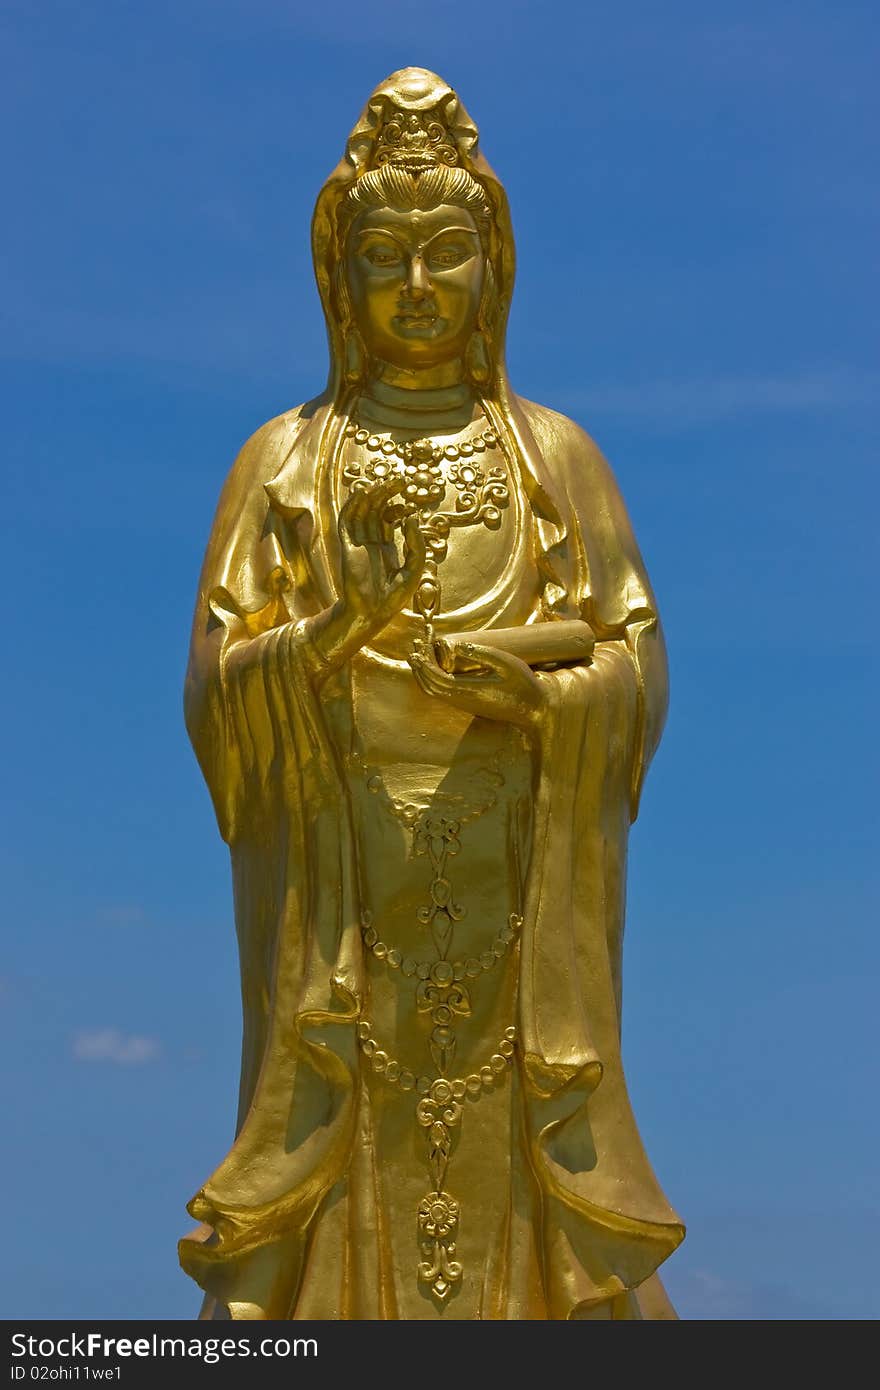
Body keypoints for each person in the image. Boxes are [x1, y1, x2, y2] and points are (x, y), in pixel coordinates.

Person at [179, 66, 684, 1320]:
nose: (415, 288)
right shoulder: (285, 461)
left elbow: (632, 662)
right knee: (342, 1140)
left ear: (492, 268)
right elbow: (213, 693)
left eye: (445, 253)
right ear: (337, 277)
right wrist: (334, 633)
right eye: (383, 257)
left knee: (513, 1135)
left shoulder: (553, 456)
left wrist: (530, 690)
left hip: (517, 878)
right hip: (343, 890)